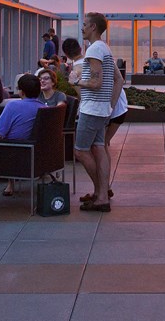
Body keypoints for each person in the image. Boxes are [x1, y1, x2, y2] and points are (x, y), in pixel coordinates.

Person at [65, 35, 125, 204]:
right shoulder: (104, 48)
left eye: (85, 24)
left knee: (81, 151)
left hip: (93, 109)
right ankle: (103, 193)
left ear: (92, 27)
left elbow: (95, 84)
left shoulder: (92, 53)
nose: (83, 27)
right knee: (100, 147)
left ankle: (101, 193)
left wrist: (75, 82)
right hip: (107, 109)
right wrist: (111, 106)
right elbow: (119, 79)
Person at [0, 73, 45, 201]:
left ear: (21, 92)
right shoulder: (45, 108)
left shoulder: (13, 106)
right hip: (37, 155)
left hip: (12, 155)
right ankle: (10, 184)